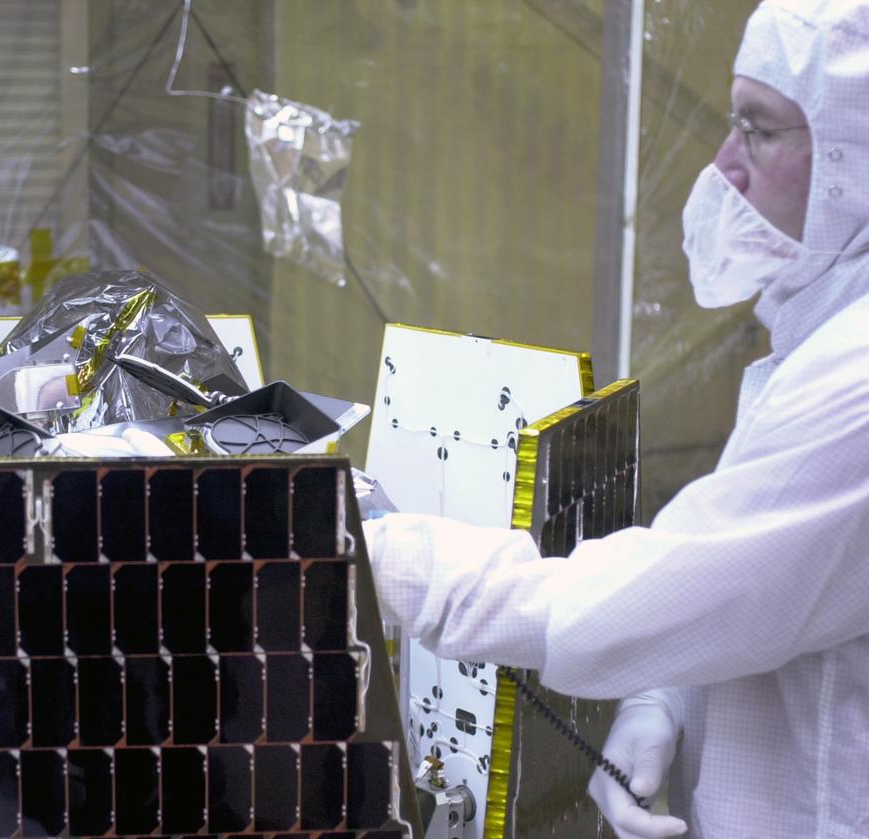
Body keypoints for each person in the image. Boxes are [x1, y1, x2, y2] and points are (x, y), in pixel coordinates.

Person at [362, 2, 869, 837]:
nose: (723, 166)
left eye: (759, 130)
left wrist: (371, 546)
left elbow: (638, 599)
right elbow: (742, 563)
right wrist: (662, 698)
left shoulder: (854, 377)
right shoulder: (817, 331)